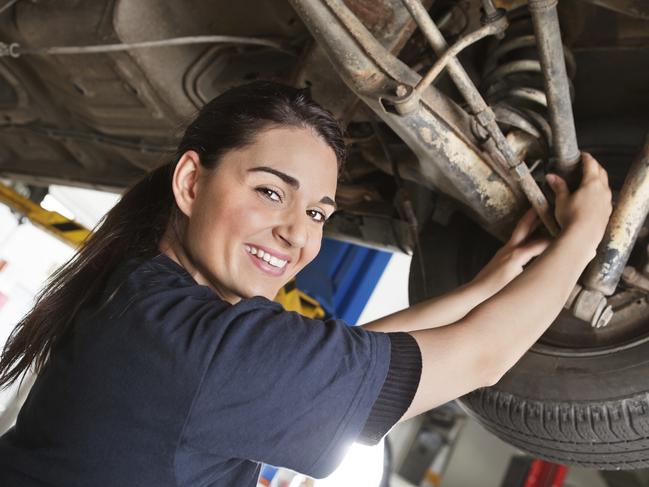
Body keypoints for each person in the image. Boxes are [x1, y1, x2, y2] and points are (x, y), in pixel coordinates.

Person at [0, 80, 611, 486]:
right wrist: (585, 237)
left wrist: (488, 283)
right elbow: (480, 358)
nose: (298, 235)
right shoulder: (197, 347)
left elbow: (346, 358)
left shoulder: (143, 298)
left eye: (318, 213)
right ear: (191, 183)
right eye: (270, 192)